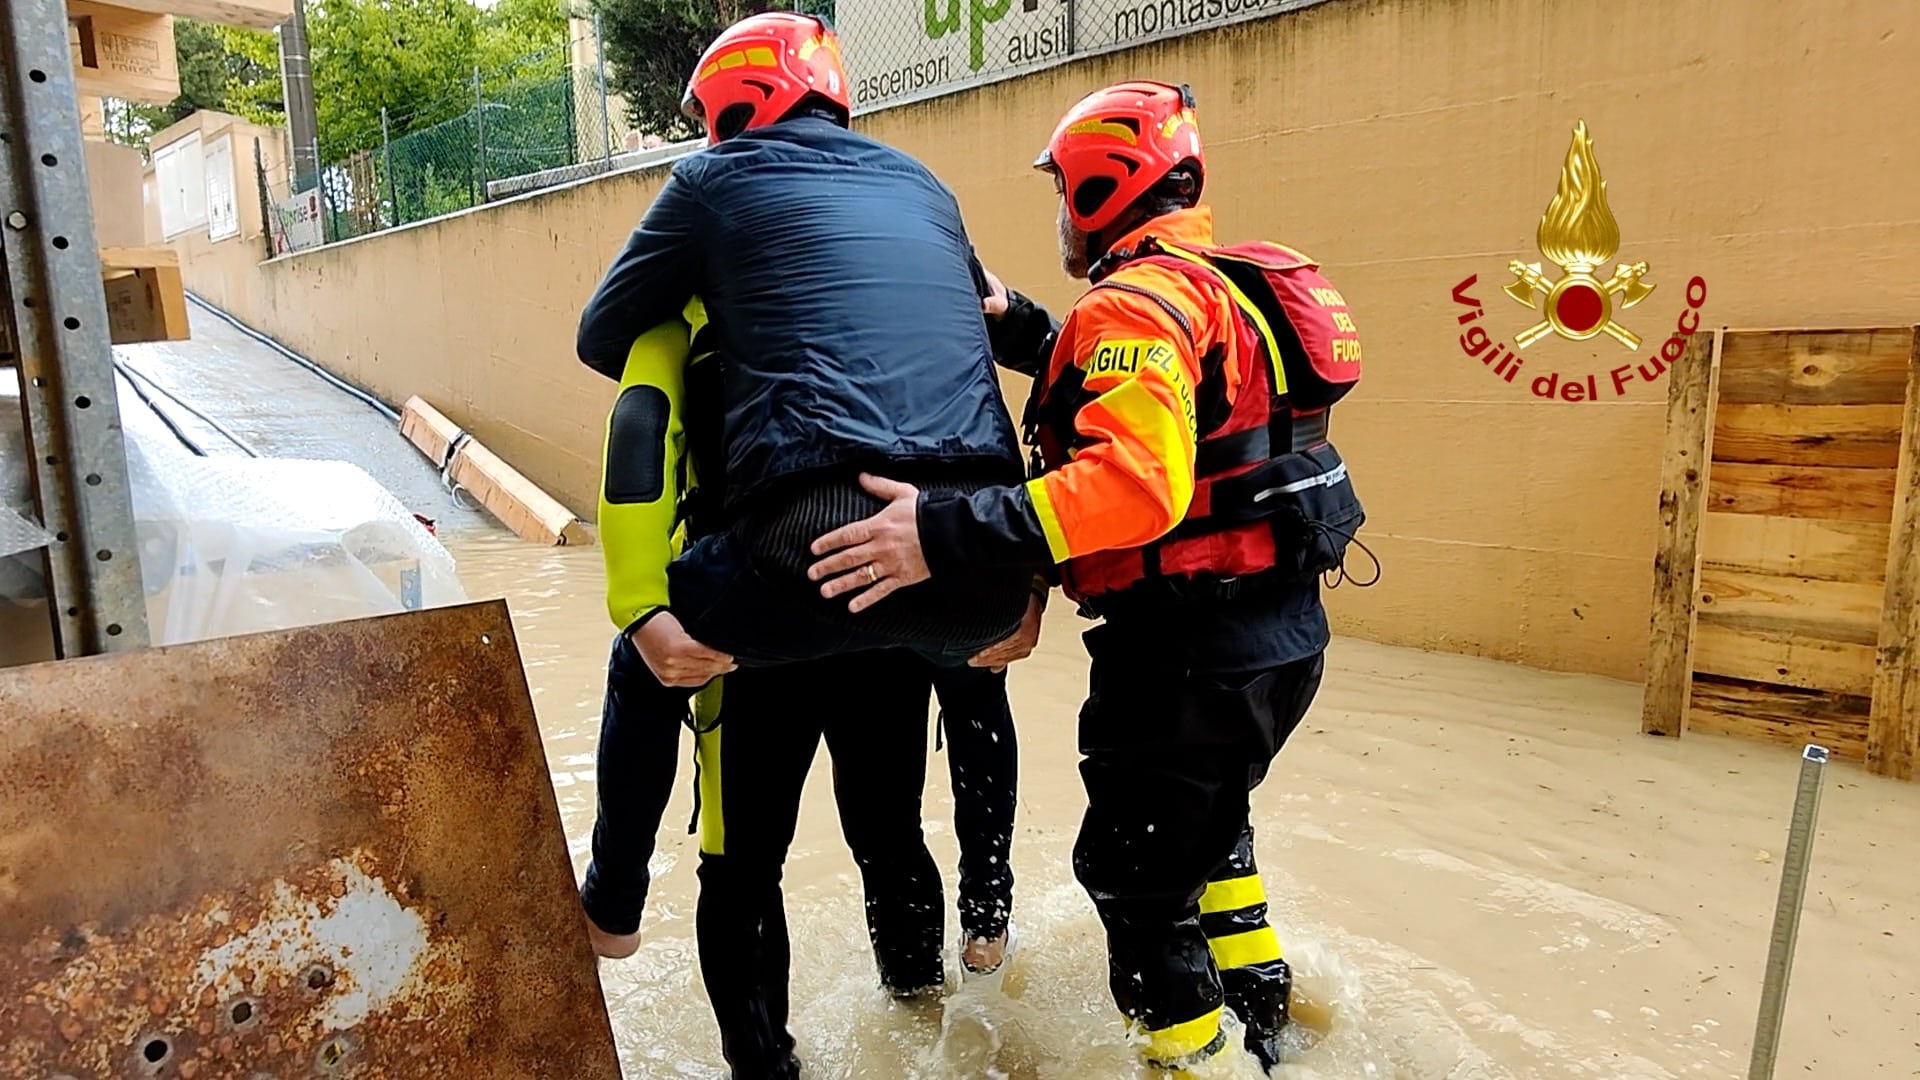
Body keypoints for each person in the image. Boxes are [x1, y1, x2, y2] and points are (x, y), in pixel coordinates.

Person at [806, 81, 1372, 1074]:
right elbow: (1177, 397)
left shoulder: (1132, 309)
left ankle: (1189, 1061)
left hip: (1188, 659)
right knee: (1213, 842)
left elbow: (1138, 484)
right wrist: (1017, 322)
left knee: (1136, 888)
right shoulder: (1220, 284)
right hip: (1281, 641)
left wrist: (940, 532)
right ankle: (1275, 1034)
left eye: (1064, 192)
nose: (1061, 213)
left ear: (1103, 190)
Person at [584, 296, 1036, 1079]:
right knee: (890, 832)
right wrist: (1020, 579)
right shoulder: (892, 293)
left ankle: (629, 922)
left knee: (742, 866)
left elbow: (639, 440)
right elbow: (985, 430)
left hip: (753, 627)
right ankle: (932, 1008)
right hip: (889, 598)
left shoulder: (682, 315)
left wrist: (639, 607)